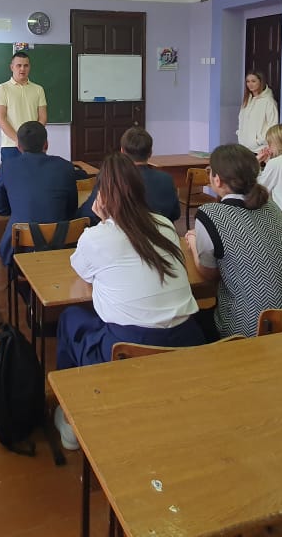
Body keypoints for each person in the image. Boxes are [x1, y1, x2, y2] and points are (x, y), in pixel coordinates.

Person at [53, 153, 204, 450]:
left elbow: (81, 271)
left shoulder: (97, 237)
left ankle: (71, 419)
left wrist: (101, 222)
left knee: (70, 319)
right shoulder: (164, 224)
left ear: (102, 195)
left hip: (125, 349)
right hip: (187, 341)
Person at [187, 144, 282, 339]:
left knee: (189, 323)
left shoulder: (210, 214)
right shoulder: (271, 207)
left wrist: (194, 244)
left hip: (253, 328)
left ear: (217, 179)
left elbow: (208, 273)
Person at [0, 121, 78, 267]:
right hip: (61, 246)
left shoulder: (7, 167)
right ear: (46, 144)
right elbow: (71, 209)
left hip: (19, 252)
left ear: (18, 146)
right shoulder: (65, 166)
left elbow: (0, 209)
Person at [79, 127, 181, 224]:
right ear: (150, 153)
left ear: (122, 151)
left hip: (122, 234)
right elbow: (175, 214)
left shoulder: (111, 178)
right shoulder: (166, 179)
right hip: (159, 234)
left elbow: (87, 213)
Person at [0, 50, 47, 162]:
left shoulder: (38, 89)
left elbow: (42, 117)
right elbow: (0, 118)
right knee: (11, 174)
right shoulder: (2, 88)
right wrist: (19, 141)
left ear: (29, 67)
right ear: (12, 67)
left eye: (26, 65)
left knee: (34, 173)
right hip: (11, 145)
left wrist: (33, 140)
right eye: (19, 65)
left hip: (34, 146)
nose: (22, 69)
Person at [236, 70, 278, 153]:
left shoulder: (269, 101)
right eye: (248, 81)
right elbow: (241, 121)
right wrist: (240, 136)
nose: (250, 84)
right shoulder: (246, 101)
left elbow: (273, 125)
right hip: (244, 148)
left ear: (261, 82)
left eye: (253, 81)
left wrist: (259, 141)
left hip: (260, 149)